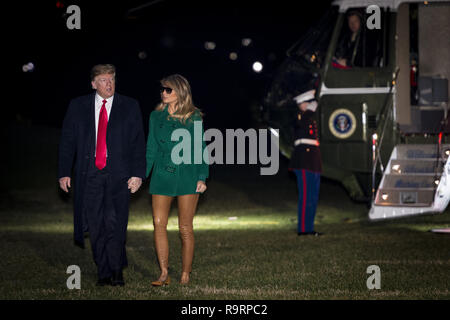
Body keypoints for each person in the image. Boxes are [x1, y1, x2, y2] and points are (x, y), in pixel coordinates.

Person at [58, 64, 146, 286]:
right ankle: (103, 271)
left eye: (112, 79)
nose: (109, 84)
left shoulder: (129, 106)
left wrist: (138, 174)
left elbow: (138, 143)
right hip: (90, 175)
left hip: (119, 175)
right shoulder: (78, 106)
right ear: (93, 84)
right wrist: (63, 172)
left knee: (115, 223)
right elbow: (67, 142)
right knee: (96, 224)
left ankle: (116, 271)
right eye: (104, 80)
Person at [146, 74, 209, 286]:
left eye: (168, 90)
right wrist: (141, 176)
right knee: (158, 224)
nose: (163, 93)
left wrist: (202, 176)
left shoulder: (194, 117)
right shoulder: (156, 117)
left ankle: (185, 273)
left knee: (185, 228)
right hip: (161, 176)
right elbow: (151, 149)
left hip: (187, 176)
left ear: (180, 92)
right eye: (162, 89)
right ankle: (163, 272)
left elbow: (201, 149)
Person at [289, 89, 322, 236]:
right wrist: (309, 110)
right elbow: (301, 125)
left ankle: (309, 227)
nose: (309, 106)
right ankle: (303, 229)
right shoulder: (300, 117)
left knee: (313, 196)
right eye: (307, 103)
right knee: (306, 196)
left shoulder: (310, 117)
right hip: (303, 161)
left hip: (313, 160)